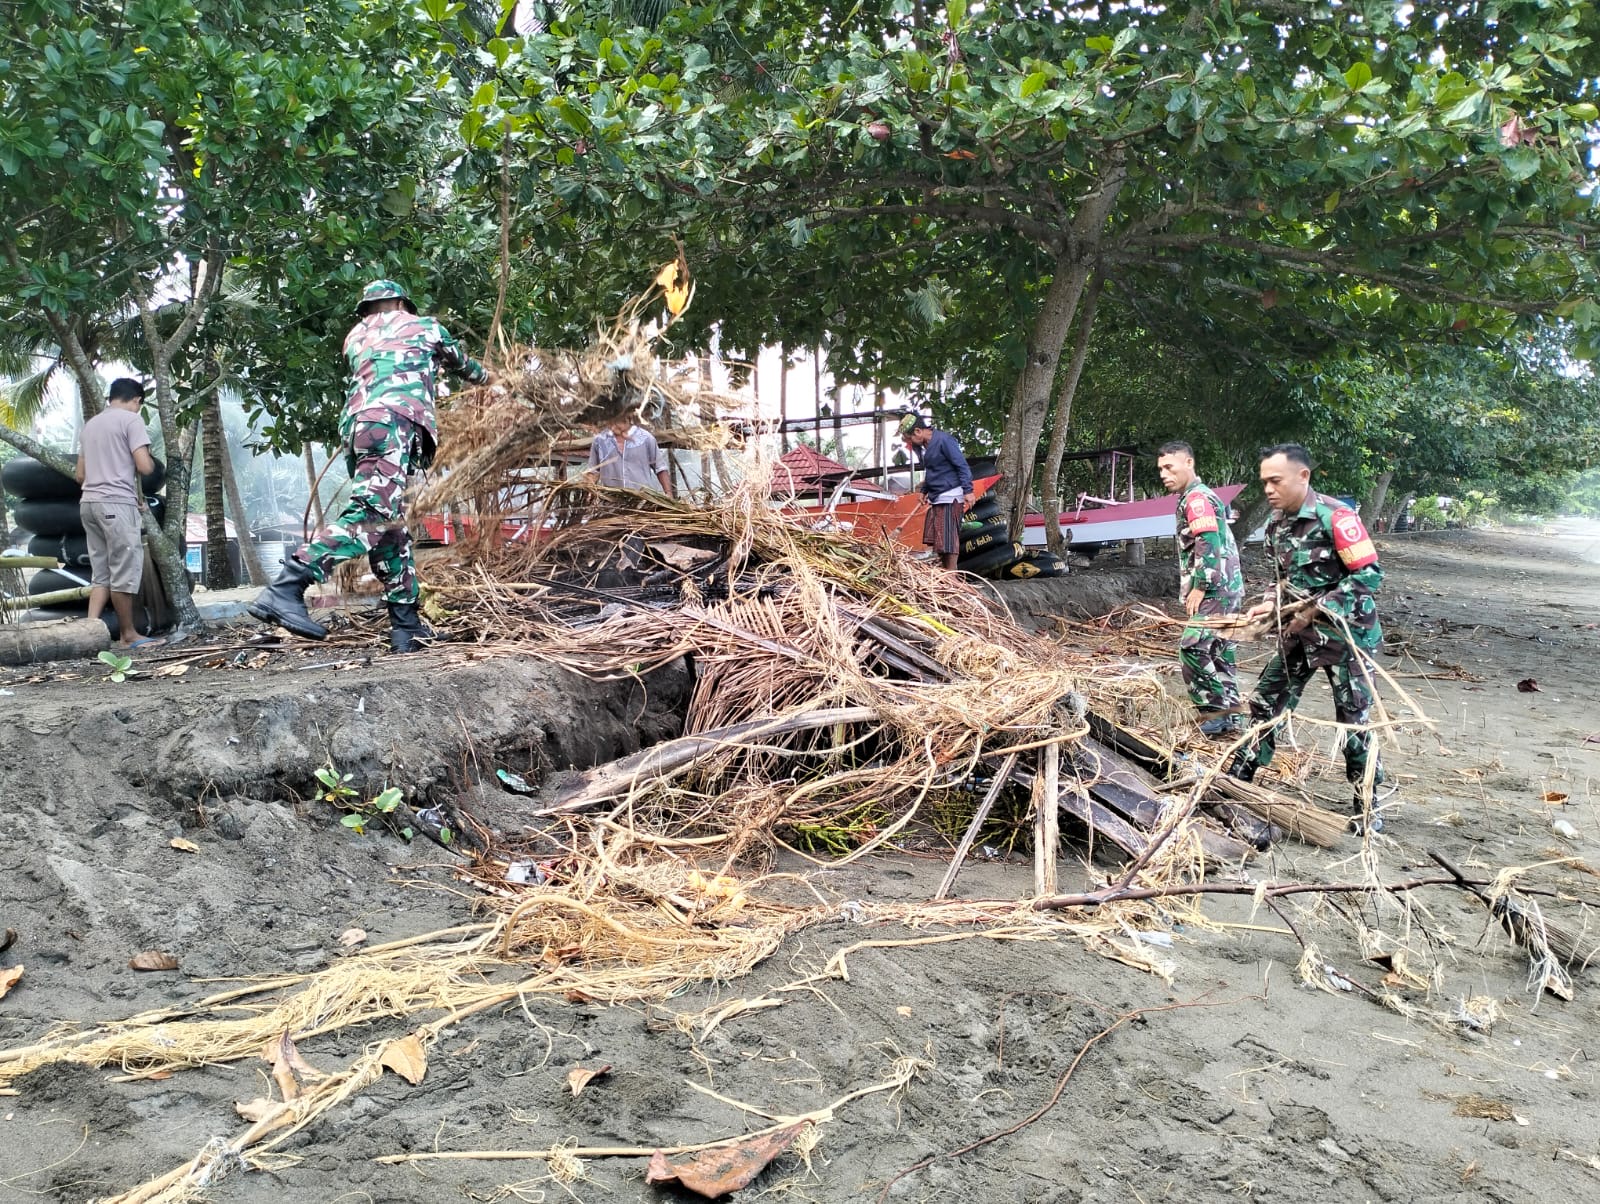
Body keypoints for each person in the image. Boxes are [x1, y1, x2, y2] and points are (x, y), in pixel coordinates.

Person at [250, 279, 493, 653]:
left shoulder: (355, 336)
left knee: (391, 528)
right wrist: (494, 380)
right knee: (373, 515)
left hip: (360, 428)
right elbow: (464, 365)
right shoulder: (425, 327)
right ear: (400, 302)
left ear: (366, 310)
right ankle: (287, 585)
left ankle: (405, 626)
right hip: (393, 423)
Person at [1228, 443, 1393, 833]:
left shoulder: (1336, 517)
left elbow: (1369, 576)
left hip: (1346, 637)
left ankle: (1367, 805)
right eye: (1264, 482)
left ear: (1303, 476)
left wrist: (1315, 609)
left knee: (1352, 721)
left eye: (1275, 481)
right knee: (1267, 702)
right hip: (1298, 636)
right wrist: (1268, 605)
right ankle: (1237, 783)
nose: (1268, 489)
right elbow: (1283, 581)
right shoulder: (1276, 525)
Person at [1157, 441, 1244, 737]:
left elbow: (1207, 540)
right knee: (1219, 651)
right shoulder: (1199, 496)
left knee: (1192, 647)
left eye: (1170, 467)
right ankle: (1231, 716)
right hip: (1228, 586)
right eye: (1160, 469)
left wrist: (1200, 586)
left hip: (1215, 589)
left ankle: (1215, 712)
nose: (1164, 474)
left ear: (1189, 463)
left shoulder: (1196, 499)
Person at [75, 377, 163, 650]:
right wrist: (145, 454)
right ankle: (128, 635)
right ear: (136, 400)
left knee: (101, 574)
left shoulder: (91, 425)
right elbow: (145, 467)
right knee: (123, 570)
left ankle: (90, 634)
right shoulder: (131, 421)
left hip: (88, 504)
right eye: (138, 405)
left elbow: (80, 475)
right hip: (116, 505)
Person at [899, 413, 974, 570]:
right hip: (936, 497)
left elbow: (962, 465)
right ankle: (944, 573)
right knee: (939, 540)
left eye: (910, 438)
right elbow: (933, 472)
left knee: (948, 540)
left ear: (918, 431)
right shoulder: (924, 448)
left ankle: (951, 575)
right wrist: (924, 491)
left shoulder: (944, 440)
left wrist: (968, 490)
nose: (910, 443)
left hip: (950, 495)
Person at [586, 417, 674, 495]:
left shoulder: (645, 438)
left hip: (643, 501)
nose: (613, 426)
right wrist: (589, 494)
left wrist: (668, 494)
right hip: (611, 504)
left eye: (617, 422)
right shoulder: (600, 441)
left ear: (627, 417)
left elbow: (660, 468)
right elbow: (592, 472)